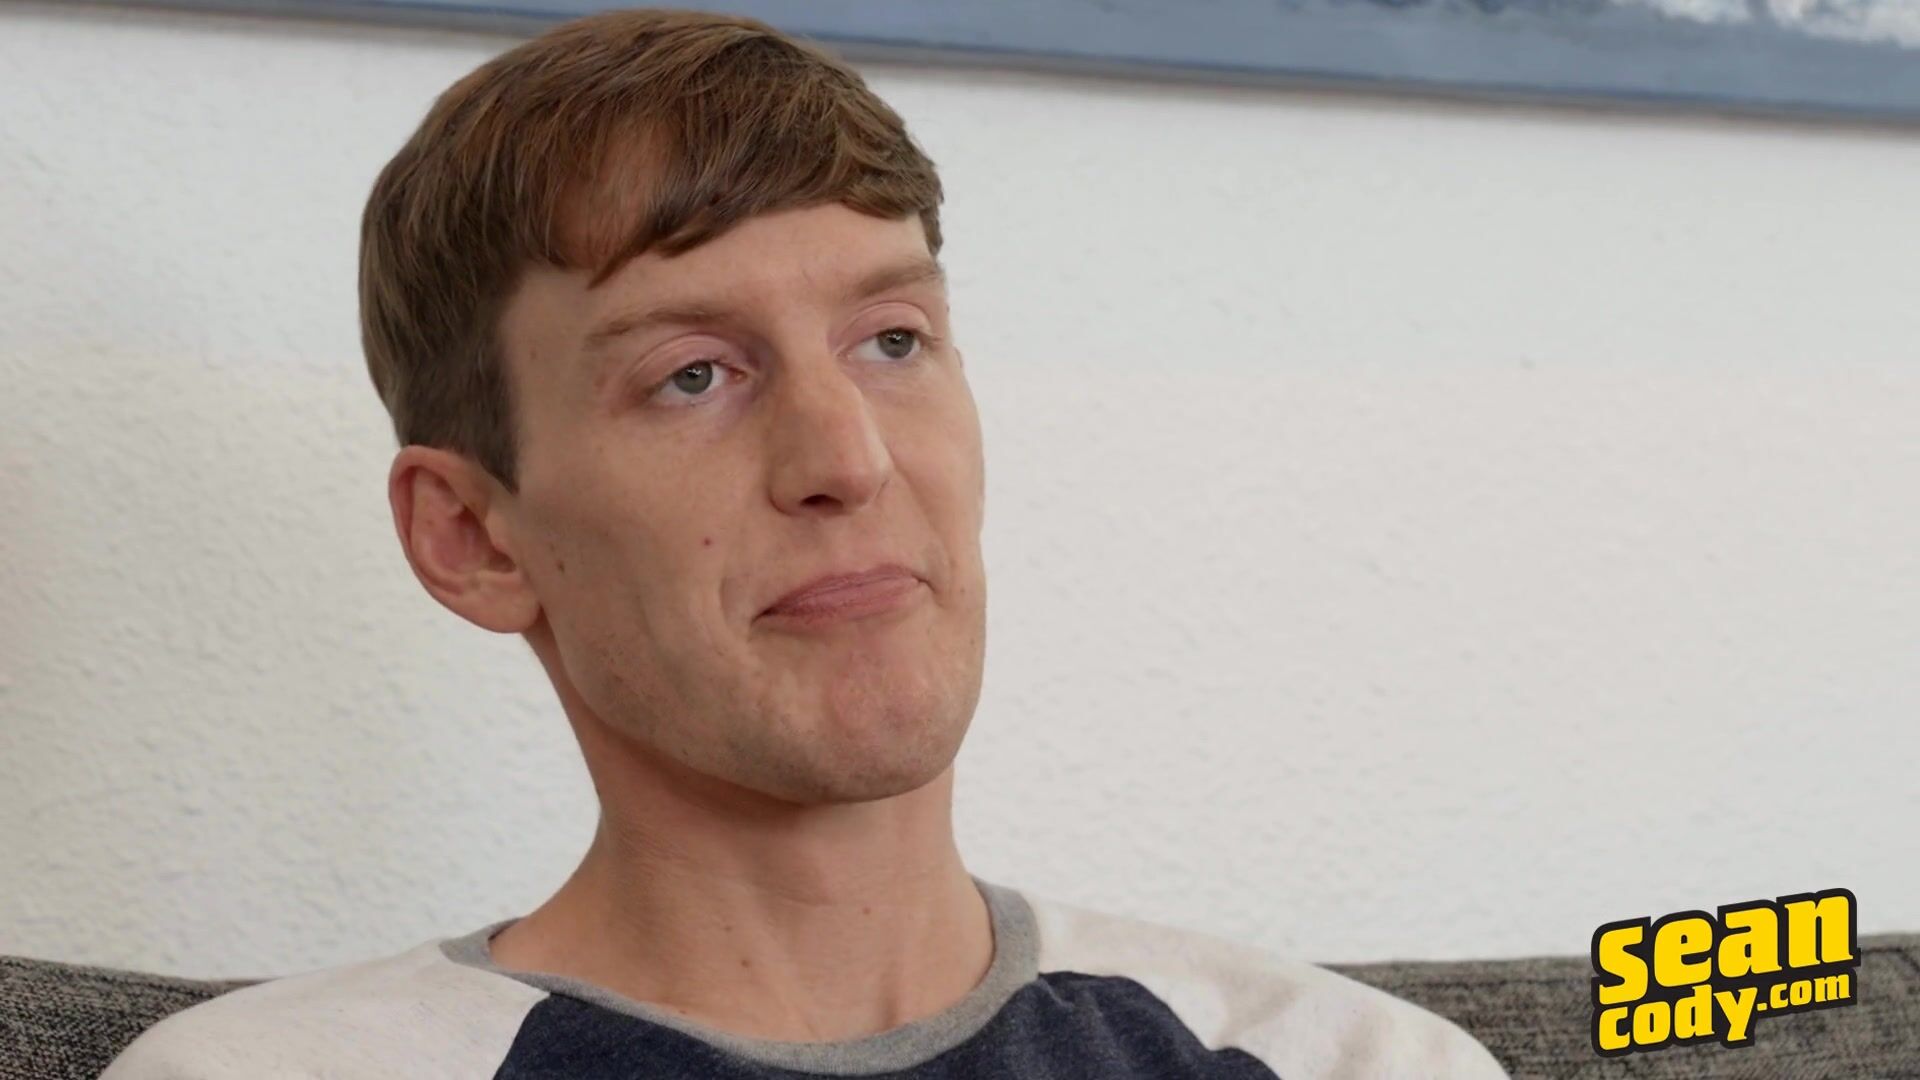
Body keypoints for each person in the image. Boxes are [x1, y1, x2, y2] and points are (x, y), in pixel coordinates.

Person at [103, 9, 1508, 1078]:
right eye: (692, 375)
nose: (848, 458)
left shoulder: (1353, 1063)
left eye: (892, 341)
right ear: (474, 537)